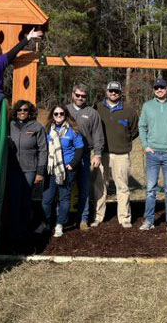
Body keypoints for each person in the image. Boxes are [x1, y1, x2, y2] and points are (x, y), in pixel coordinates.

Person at [138, 78, 167, 234]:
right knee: (151, 189)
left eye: (162, 87)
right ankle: (149, 220)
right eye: (156, 87)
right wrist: (146, 146)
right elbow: (142, 126)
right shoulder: (147, 106)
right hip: (152, 153)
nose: (159, 90)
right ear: (154, 90)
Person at [92, 81, 138, 228]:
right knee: (100, 186)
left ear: (120, 93)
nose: (113, 94)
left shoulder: (129, 110)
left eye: (116, 92)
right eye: (111, 91)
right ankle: (98, 216)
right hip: (102, 154)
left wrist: (123, 141)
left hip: (121, 154)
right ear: (106, 92)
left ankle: (124, 218)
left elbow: (134, 131)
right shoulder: (97, 108)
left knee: (122, 186)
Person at [7, 100, 47, 244]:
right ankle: (12, 233)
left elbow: (43, 150)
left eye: (25, 110)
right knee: (13, 201)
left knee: (25, 200)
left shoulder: (37, 127)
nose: (22, 113)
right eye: (19, 110)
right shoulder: (9, 126)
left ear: (30, 112)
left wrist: (40, 172)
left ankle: (24, 233)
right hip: (12, 169)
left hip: (30, 169)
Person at [42, 105, 84, 238]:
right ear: (52, 115)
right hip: (51, 170)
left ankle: (60, 224)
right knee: (47, 199)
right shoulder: (48, 130)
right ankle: (47, 223)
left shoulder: (73, 130)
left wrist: (72, 164)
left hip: (67, 170)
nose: (59, 116)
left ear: (66, 115)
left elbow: (80, 148)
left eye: (61, 114)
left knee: (64, 198)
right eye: (56, 114)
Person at [66, 84, 104, 230]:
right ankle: (62, 218)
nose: (80, 98)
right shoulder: (64, 110)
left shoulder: (92, 113)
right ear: (72, 95)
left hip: (85, 154)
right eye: (78, 95)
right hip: (67, 154)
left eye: (83, 96)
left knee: (85, 187)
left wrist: (98, 154)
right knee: (65, 187)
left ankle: (83, 219)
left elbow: (97, 135)